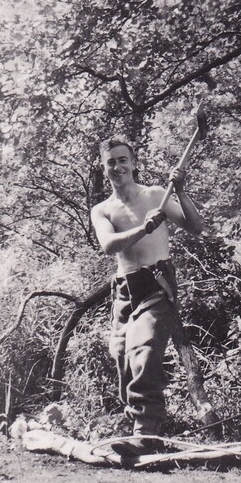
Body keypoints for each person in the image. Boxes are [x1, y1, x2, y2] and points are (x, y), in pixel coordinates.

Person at [90, 135, 205, 456]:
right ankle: (140, 429)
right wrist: (143, 228)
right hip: (124, 288)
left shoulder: (156, 195)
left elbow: (196, 226)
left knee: (144, 348)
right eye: (110, 162)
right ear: (104, 169)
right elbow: (109, 245)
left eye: (122, 160)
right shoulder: (102, 210)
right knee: (121, 354)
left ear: (134, 163)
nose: (117, 166)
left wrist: (180, 191)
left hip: (157, 282)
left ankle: (145, 429)